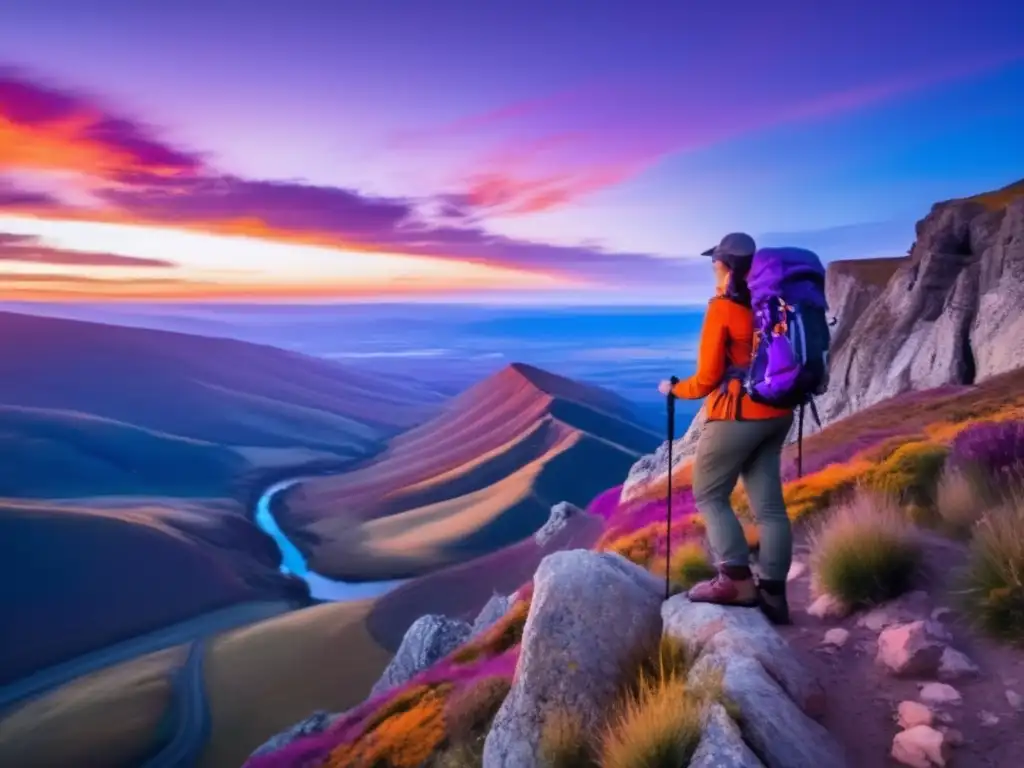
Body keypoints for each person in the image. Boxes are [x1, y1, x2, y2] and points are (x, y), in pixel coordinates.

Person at [658, 232, 795, 624]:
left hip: (739, 414)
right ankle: (773, 594)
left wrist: (674, 389)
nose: (712, 268)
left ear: (725, 265)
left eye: (715, 262)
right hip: (779, 412)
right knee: (769, 507)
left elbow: (706, 378)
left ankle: (735, 579)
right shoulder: (776, 301)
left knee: (709, 493)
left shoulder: (723, 307)